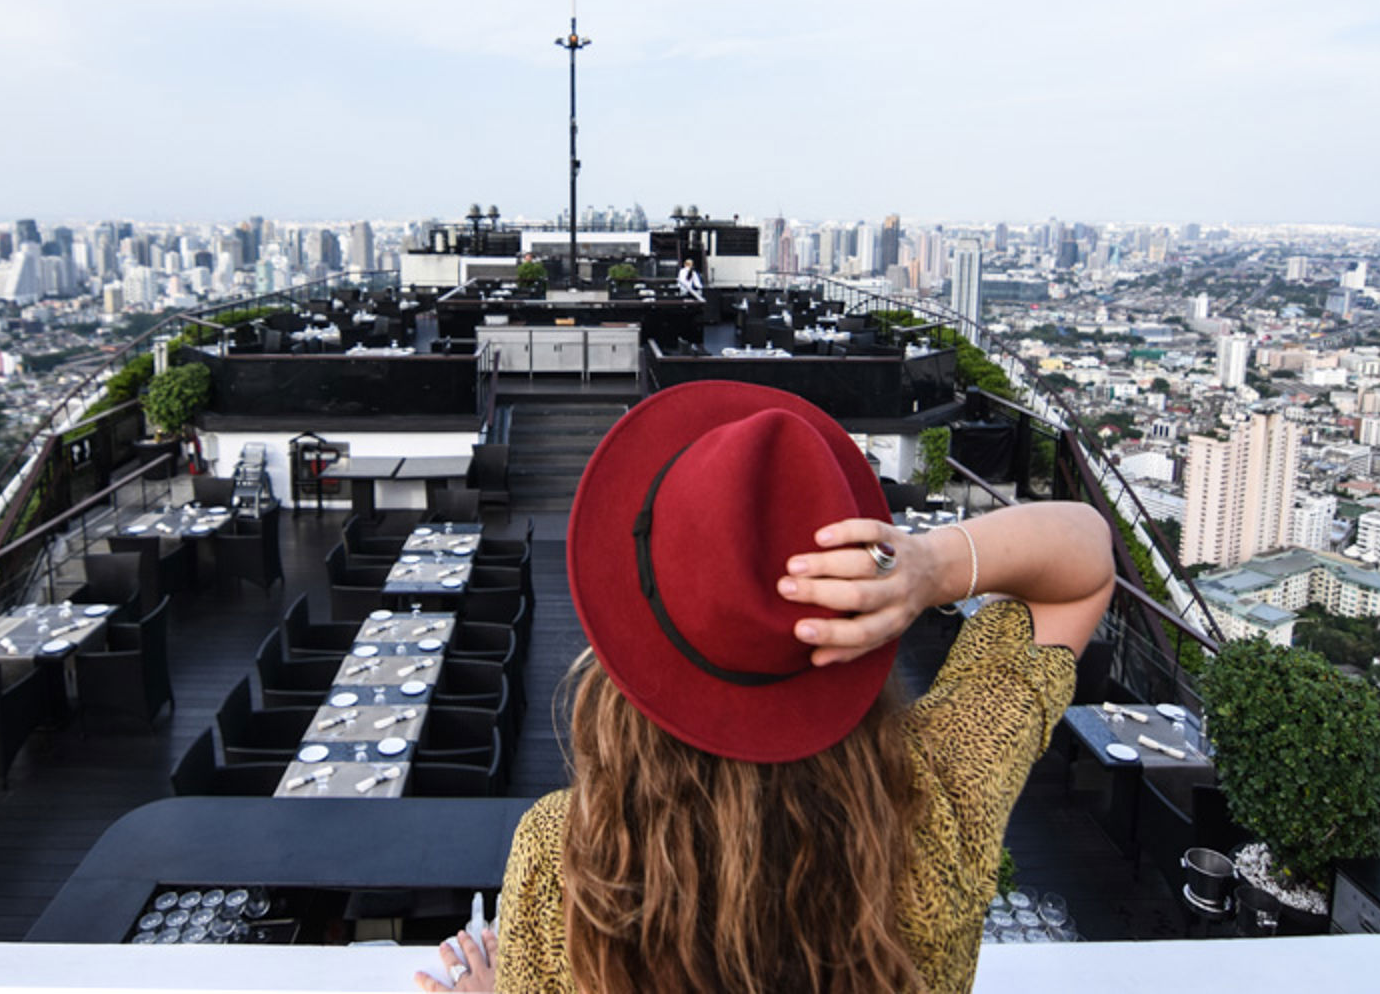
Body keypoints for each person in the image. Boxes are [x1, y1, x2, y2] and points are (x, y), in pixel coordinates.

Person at [416, 380, 1114, 994]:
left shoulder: (569, 857)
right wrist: (930, 567)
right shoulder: (942, 803)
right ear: (857, 622)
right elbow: (1084, 561)